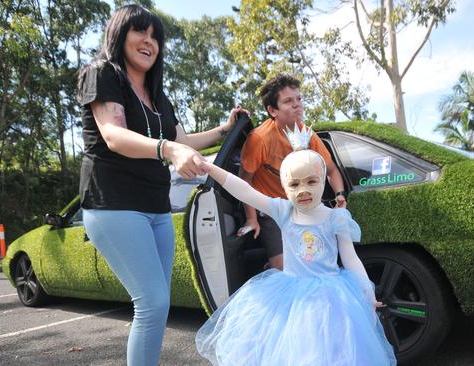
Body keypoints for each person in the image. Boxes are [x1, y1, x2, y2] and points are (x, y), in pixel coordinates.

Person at [76, 5, 243, 365]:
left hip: (156, 208)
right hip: (114, 205)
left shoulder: (159, 96)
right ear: (120, 36)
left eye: (155, 37)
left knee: (156, 305)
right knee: (152, 303)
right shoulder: (103, 73)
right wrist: (167, 149)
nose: (149, 42)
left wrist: (225, 129)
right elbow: (114, 135)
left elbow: (185, 139)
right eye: (140, 33)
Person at [195, 125, 396, 366]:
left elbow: (350, 258)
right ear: (284, 186)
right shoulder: (284, 210)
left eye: (311, 181)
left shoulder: (336, 217)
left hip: (331, 298)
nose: (303, 191)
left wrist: (366, 289)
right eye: (294, 184)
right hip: (290, 296)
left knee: (333, 353)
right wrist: (210, 168)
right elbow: (246, 191)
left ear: (324, 179)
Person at [238, 73, 347, 270]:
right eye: (288, 101)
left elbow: (331, 171)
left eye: (299, 99)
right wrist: (251, 218)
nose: (297, 105)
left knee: (315, 260)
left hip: (305, 204)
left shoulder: (308, 135)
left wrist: (340, 195)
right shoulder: (260, 140)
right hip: (272, 208)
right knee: (283, 268)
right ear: (272, 110)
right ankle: (272, 270)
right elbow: (244, 181)